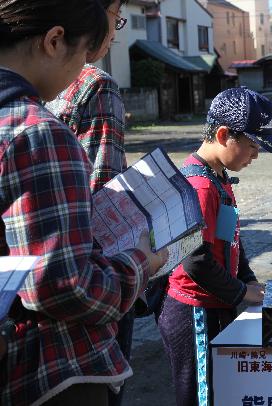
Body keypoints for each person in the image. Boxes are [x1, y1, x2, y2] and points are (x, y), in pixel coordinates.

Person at [0, 1, 167, 405]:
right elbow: (64, 287)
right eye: (84, 54)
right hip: (48, 370)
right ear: (55, 41)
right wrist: (141, 262)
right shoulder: (36, 133)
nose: (84, 69)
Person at [157, 87, 272, 406]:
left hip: (217, 300)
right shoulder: (200, 187)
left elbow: (231, 238)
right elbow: (194, 260)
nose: (256, 154)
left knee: (220, 392)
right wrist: (240, 292)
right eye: (253, 144)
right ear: (222, 134)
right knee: (201, 396)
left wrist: (246, 279)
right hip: (195, 311)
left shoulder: (218, 178)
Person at [45, 2, 133, 405]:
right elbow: (102, 196)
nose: (114, 31)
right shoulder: (93, 83)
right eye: (115, 18)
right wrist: (137, 268)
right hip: (87, 292)